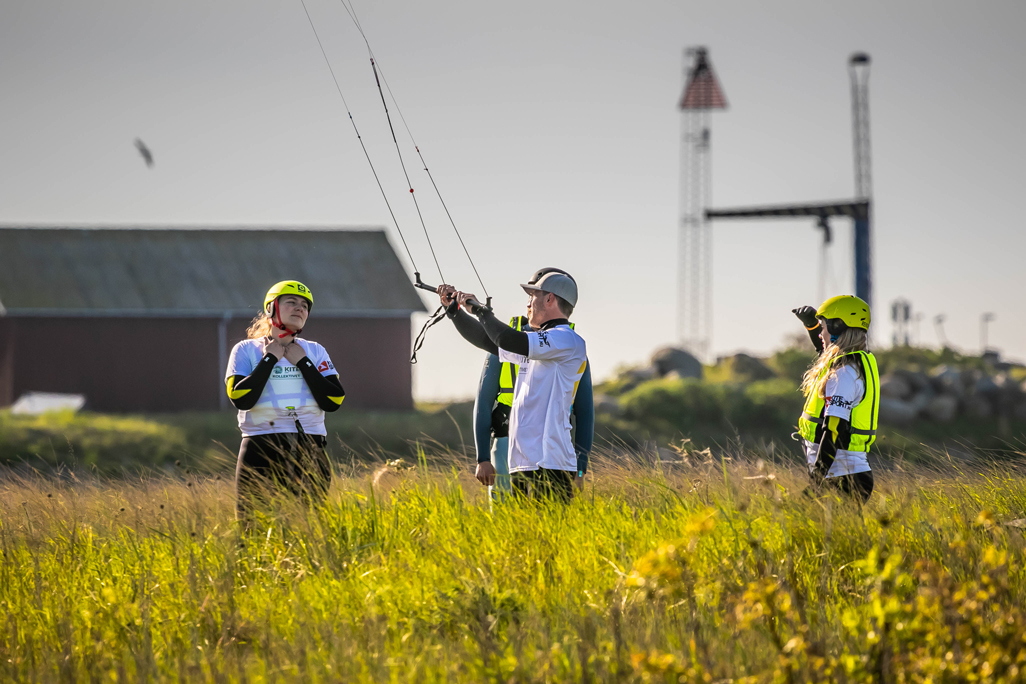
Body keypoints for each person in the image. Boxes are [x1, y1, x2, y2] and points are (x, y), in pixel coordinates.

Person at [439, 271, 589, 502]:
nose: (528, 303)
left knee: (546, 535)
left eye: (533, 296)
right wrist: (455, 312)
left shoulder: (565, 338)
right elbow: (488, 341)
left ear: (549, 299)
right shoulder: (540, 343)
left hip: (551, 463)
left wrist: (481, 310)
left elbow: (508, 339)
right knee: (524, 535)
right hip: (524, 464)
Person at [225, 280, 346, 520]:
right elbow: (241, 397)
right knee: (253, 530)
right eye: (291, 302)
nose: (300, 308)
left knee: (308, 529)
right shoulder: (246, 349)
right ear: (271, 308)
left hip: (310, 447)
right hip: (260, 448)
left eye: (305, 305)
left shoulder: (314, 351)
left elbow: (334, 399)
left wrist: (303, 362)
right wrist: (269, 359)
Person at [792, 295, 880, 503]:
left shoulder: (844, 375)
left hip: (841, 478)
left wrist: (817, 482)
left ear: (837, 327)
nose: (820, 332)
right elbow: (825, 349)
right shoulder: (853, 363)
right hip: (842, 475)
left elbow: (834, 431)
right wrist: (812, 327)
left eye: (823, 326)